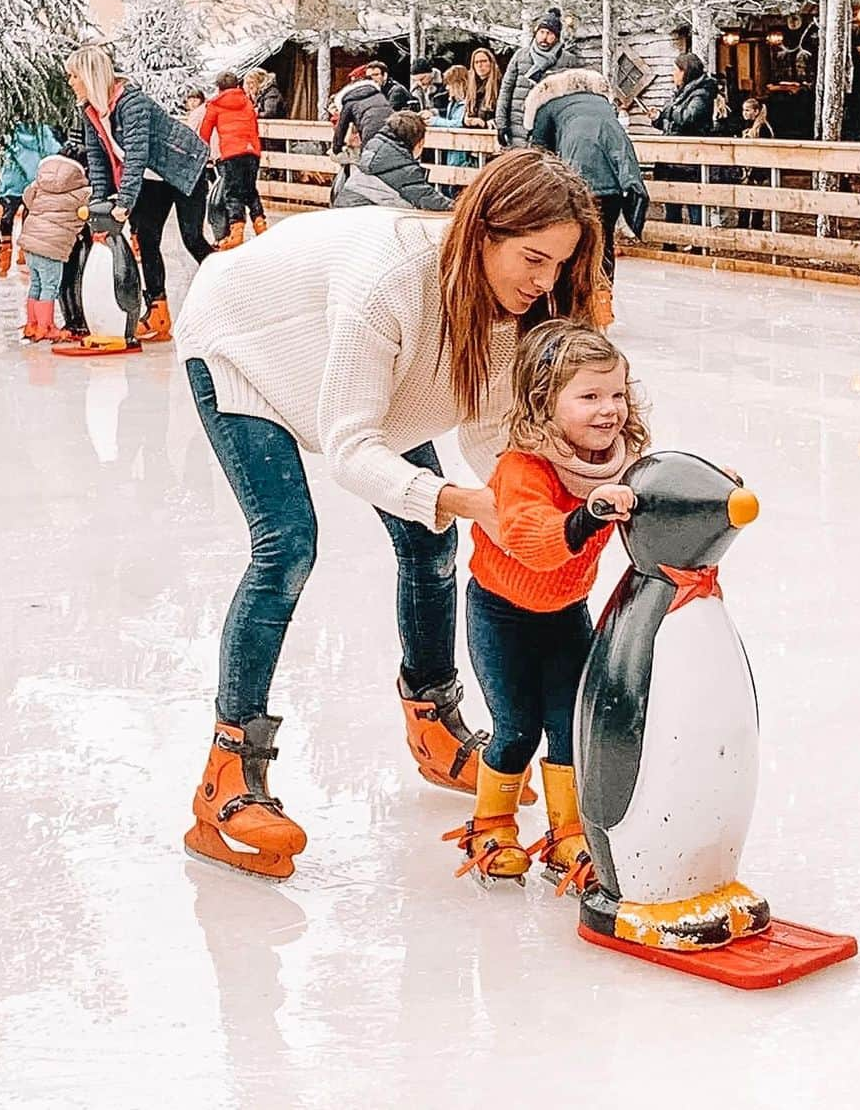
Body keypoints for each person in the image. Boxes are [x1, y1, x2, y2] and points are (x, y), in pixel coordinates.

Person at [174, 149, 604, 879]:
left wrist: (581, 483)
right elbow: (350, 446)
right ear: (483, 232)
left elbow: (493, 433)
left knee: (431, 544)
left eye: (559, 266)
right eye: (534, 258)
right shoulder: (392, 286)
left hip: (366, 385)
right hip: (245, 345)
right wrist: (466, 502)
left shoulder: (513, 307)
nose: (544, 282)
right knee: (288, 545)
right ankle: (229, 770)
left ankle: (431, 720)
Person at [445, 319, 648, 888]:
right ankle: (491, 823)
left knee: (568, 725)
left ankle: (567, 833)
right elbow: (533, 542)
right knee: (516, 727)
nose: (609, 409)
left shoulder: (616, 461)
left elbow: (651, 502)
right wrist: (590, 515)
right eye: (588, 396)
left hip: (565, 615)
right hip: (501, 614)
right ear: (543, 401)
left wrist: (703, 493)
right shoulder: (522, 468)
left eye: (616, 394)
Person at [66, 44, 211, 344]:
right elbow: (98, 159)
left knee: (192, 238)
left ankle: (231, 286)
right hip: (151, 179)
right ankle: (158, 312)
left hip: (184, 168)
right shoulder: (92, 111)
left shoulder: (133, 104)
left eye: (74, 76)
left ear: (90, 75)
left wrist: (125, 202)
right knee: (146, 238)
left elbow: (136, 154)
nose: (70, 83)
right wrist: (99, 203)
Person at [525, 68, 648, 326]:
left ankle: (571, 305)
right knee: (602, 243)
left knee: (572, 245)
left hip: (577, 185)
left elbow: (539, 154)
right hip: (612, 185)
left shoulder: (548, 106)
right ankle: (601, 303)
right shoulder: (601, 103)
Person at [17, 153, 89, 342]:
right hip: (52, 247)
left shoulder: (40, 185)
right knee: (49, 286)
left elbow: (27, 196)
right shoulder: (81, 192)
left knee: (36, 284)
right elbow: (91, 208)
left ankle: (31, 324)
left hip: (30, 243)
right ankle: (46, 326)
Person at [330, 110, 453, 211]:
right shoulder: (404, 170)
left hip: (343, 209)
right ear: (418, 143)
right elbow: (428, 199)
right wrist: (459, 208)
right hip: (365, 223)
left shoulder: (373, 149)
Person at [649, 53, 718, 230]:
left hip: (690, 159)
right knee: (671, 204)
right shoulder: (680, 93)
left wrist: (667, 111)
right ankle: (671, 242)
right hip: (673, 158)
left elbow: (690, 118)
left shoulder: (701, 94)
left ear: (685, 72)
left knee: (694, 203)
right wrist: (658, 119)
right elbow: (674, 124)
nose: (673, 74)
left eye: (675, 70)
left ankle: (697, 244)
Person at [200, 72, 267, 251]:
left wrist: (203, 154)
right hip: (252, 151)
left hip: (232, 153)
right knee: (250, 189)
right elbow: (254, 126)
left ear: (219, 87)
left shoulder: (215, 105)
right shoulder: (246, 101)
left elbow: (205, 132)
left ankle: (236, 233)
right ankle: (260, 225)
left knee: (233, 193)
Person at [496, 7, 579, 149]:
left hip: (549, 126)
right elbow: (506, 90)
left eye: (549, 33)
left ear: (556, 36)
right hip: (518, 124)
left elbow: (573, 96)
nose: (544, 37)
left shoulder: (567, 60)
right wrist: (501, 123)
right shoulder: (521, 55)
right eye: (541, 32)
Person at [0, 122, 60, 277]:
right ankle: (24, 256)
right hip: (32, 181)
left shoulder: (12, 129)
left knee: (7, 219)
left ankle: (3, 260)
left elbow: (2, 143)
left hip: (13, 181)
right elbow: (54, 149)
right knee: (29, 217)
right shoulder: (41, 130)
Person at [433, 64, 475, 195]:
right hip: (452, 153)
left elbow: (458, 123)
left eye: (450, 84)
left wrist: (435, 121)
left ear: (459, 84)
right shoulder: (453, 103)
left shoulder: (467, 103)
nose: (447, 88)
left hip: (462, 155)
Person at [331, 75, 393, 156]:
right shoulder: (379, 95)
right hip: (392, 127)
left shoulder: (349, 103)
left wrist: (336, 149)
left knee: (370, 158)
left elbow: (341, 128)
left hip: (370, 130)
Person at [738, 97, 774, 231]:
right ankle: (743, 224)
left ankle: (755, 225)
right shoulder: (747, 126)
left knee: (756, 198)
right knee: (745, 197)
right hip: (748, 167)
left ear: (756, 111)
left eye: (748, 110)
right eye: (744, 110)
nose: (745, 113)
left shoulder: (762, 128)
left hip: (759, 169)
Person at [464, 48, 501, 129]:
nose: (480, 65)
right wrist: (466, 120)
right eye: (476, 62)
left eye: (483, 61)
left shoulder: (500, 86)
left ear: (491, 63)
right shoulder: (471, 88)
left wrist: (485, 123)